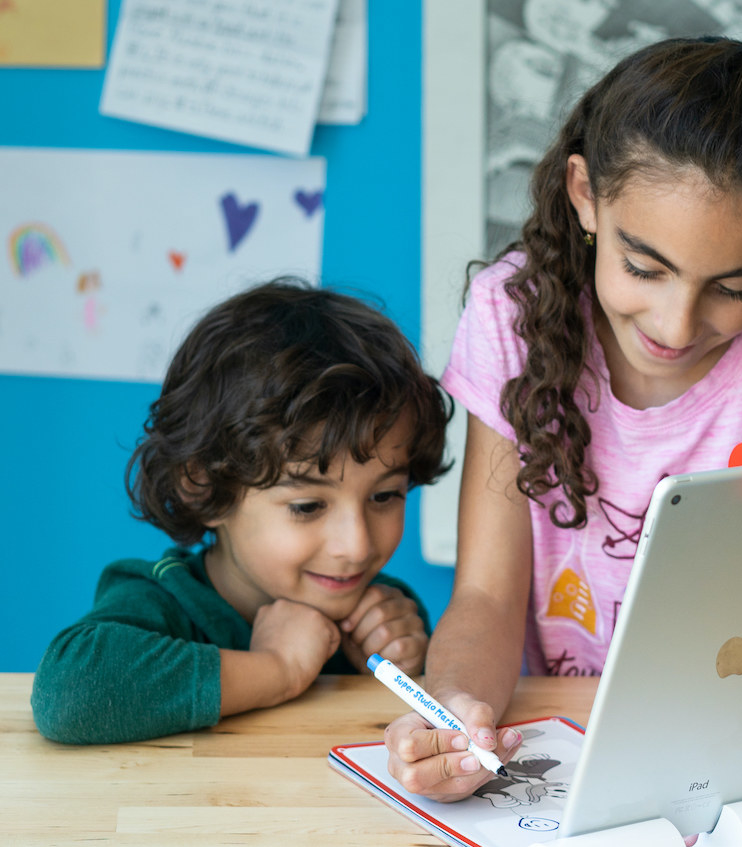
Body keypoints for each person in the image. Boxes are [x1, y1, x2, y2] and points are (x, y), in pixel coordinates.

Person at [385, 21, 742, 801]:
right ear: (584, 194)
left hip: (728, 757)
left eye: (732, 288)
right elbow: (488, 594)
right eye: (643, 267)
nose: (674, 324)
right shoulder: (512, 316)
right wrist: (461, 707)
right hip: (547, 736)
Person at [32, 279, 452, 744]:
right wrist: (278, 668)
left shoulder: (381, 610)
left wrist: (409, 668)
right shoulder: (165, 599)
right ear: (204, 486)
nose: (357, 545)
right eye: (308, 505)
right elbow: (69, 695)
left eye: (384, 496)